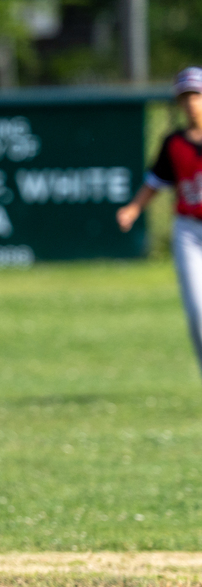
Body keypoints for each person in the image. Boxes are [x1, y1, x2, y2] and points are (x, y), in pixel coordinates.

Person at [119, 67, 202, 374]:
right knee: (197, 313)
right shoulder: (174, 143)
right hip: (189, 231)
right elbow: (155, 181)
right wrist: (133, 208)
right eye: (186, 97)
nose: (191, 103)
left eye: (196, 95)